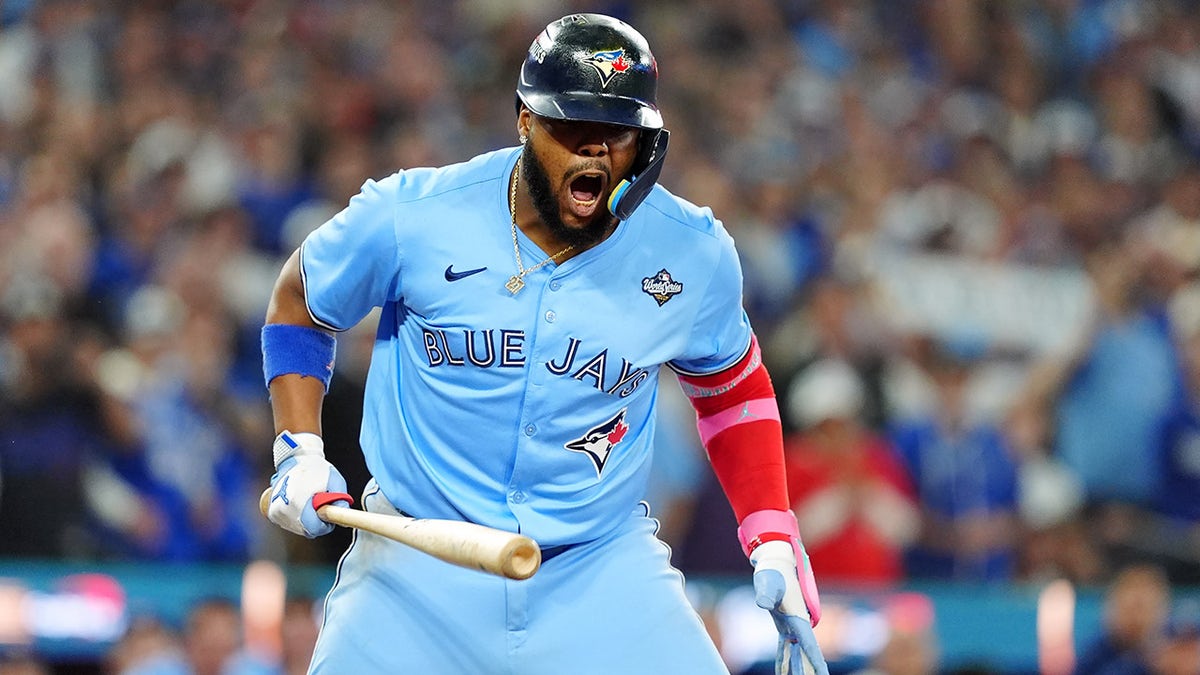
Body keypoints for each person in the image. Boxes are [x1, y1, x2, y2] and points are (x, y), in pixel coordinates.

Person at [259, 13, 827, 675]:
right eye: (571, 129)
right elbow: (300, 299)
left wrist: (771, 532)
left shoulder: (690, 249)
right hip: (416, 567)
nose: (594, 153)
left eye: (615, 134)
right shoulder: (414, 215)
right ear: (526, 121)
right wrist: (299, 448)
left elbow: (730, 387)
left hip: (599, 567)